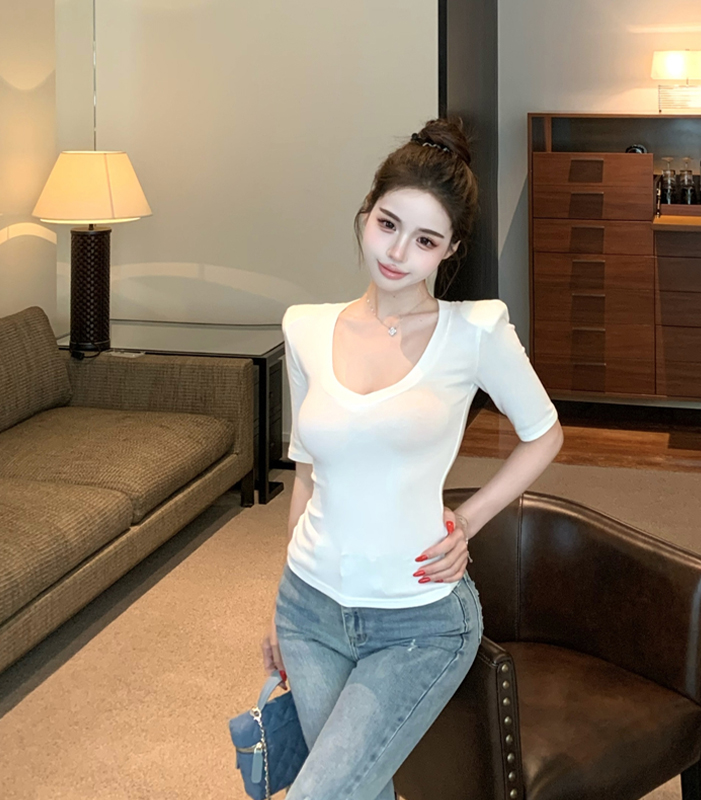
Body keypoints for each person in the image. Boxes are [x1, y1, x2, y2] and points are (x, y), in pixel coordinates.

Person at [261, 116, 564, 800]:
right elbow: (306, 475)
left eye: (425, 239)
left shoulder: (475, 332)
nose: (398, 252)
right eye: (388, 224)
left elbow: (544, 434)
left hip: (419, 621)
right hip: (308, 612)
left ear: (449, 249)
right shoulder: (306, 328)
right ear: (366, 214)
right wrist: (282, 602)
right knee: (361, 791)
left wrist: (469, 519)